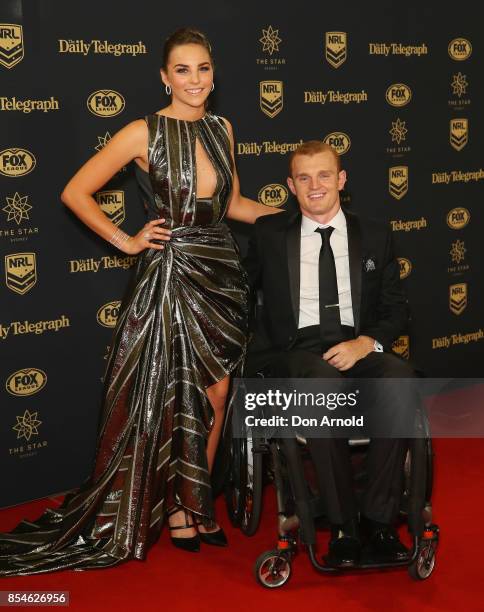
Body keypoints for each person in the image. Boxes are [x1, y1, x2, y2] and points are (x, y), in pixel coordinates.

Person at [0, 27, 280, 576]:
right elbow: (75, 192)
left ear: (213, 74)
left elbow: (236, 203)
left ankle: (193, 502)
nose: (194, 80)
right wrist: (127, 240)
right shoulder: (140, 133)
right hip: (169, 272)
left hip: (220, 270)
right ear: (164, 76)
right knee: (169, 392)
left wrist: (301, 215)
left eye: (203, 69)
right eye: (182, 70)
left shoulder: (224, 129)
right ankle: (177, 509)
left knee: (217, 391)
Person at [243, 140, 416, 567]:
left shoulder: (375, 233)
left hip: (356, 345)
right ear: (290, 185)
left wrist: (364, 344)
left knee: (401, 379)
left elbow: (396, 309)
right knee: (322, 385)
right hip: (296, 351)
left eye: (324, 175)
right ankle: (342, 526)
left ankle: (377, 520)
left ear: (341, 180)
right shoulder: (268, 234)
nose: (314, 185)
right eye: (304, 177)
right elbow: (239, 298)